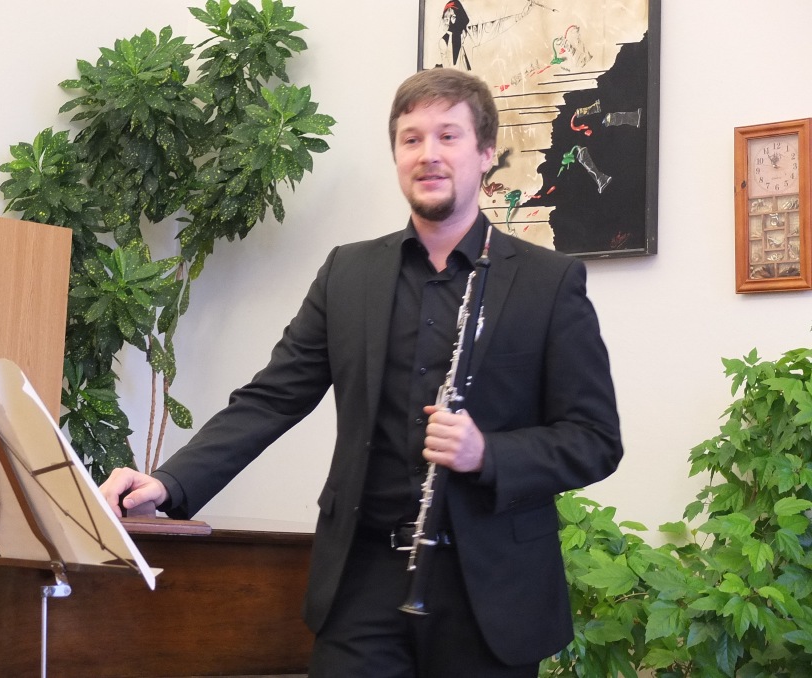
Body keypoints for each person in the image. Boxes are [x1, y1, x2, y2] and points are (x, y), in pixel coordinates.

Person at [99, 67, 622, 677]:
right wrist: (169, 483)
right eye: (411, 138)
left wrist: (488, 453)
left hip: (490, 592)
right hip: (362, 585)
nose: (428, 154)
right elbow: (271, 399)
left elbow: (594, 439)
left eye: (448, 136)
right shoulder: (348, 274)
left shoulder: (548, 282)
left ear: (486, 154)